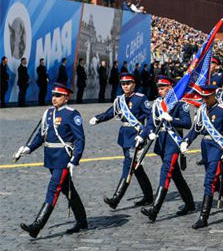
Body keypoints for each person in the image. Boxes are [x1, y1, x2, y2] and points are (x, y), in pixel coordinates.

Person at [14, 83, 87, 238]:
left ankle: (37, 226)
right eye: (53, 95)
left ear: (66, 98)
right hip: (51, 158)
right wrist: (28, 148)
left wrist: (75, 159)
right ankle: (82, 221)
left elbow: (80, 139)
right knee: (68, 190)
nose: (54, 98)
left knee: (53, 189)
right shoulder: (48, 113)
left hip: (63, 158)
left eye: (58, 96)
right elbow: (41, 135)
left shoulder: (72, 114)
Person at [180, 81, 223, 229]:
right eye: (203, 97)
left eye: (207, 97)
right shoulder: (202, 110)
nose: (205, 100)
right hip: (206, 147)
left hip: (217, 148)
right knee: (215, 182)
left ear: (214, 95)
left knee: (209, 181)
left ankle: (204, 217)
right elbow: (196, 129)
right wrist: (186, 141)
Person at [90, 73, 154, 208]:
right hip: (125, 136)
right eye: (123, 84)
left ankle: (116, 198)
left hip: (136, 136)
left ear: (134, 84)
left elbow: (151, 118)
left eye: (128, 83)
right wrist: (98, 118)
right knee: (136, 167)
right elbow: (110, 112)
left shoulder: (141, 99)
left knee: (129, 165)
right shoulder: (120, 100)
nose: (125, 86)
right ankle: (148, 196)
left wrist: (145, 134)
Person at [138, 76, 195, 222]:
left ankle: (155, 209)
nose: (160, 90)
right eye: (159, 87)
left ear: (170, 88)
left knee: (166, 172)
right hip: (162, 143)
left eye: (163, 87)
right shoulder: (157, 103)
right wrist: (143, 135)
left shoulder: (180, 103)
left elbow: (187, 123)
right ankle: (189, 203)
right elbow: (151, 123)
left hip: (173, 143)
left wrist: (172, 119)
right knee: (175, 174)